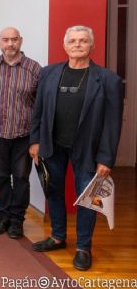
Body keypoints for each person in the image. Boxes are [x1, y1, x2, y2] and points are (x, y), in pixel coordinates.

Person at [29, 26, 123, 271]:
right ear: (65, 45)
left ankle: (83, 247)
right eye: (73, 40)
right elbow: (38, 111)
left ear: (91, 46)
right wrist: (35, 141)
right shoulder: (49, 73)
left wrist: (106, 158)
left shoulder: (108, 79)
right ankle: (58, 237)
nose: (78, 44)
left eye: (83, 41)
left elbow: (113, 122)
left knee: (86, 200)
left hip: (88, 150)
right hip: (52, 146)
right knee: (54, 192)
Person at [0, 27, 41, 238]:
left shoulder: (34, 69)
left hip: (23, 137)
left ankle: (17, 221)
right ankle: (3, 216)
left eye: (14, 40)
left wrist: (37, 139)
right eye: (6, 40)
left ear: (21, 41)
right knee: (0, 177)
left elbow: (40, 106)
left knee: (21, 179)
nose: (10, 44)